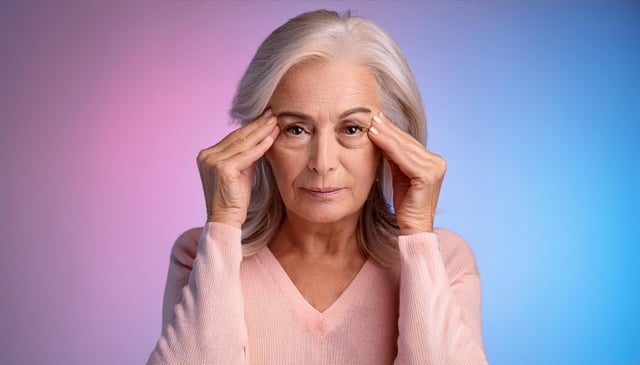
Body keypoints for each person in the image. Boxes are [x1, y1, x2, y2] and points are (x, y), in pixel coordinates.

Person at [147, 9, 488, 365]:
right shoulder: (201, 254)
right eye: (297, 129)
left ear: (393, 142)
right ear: (258, 142)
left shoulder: (443, 260)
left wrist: (418, 237)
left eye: (352, 129)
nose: (322, 162)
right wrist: (222, 224)